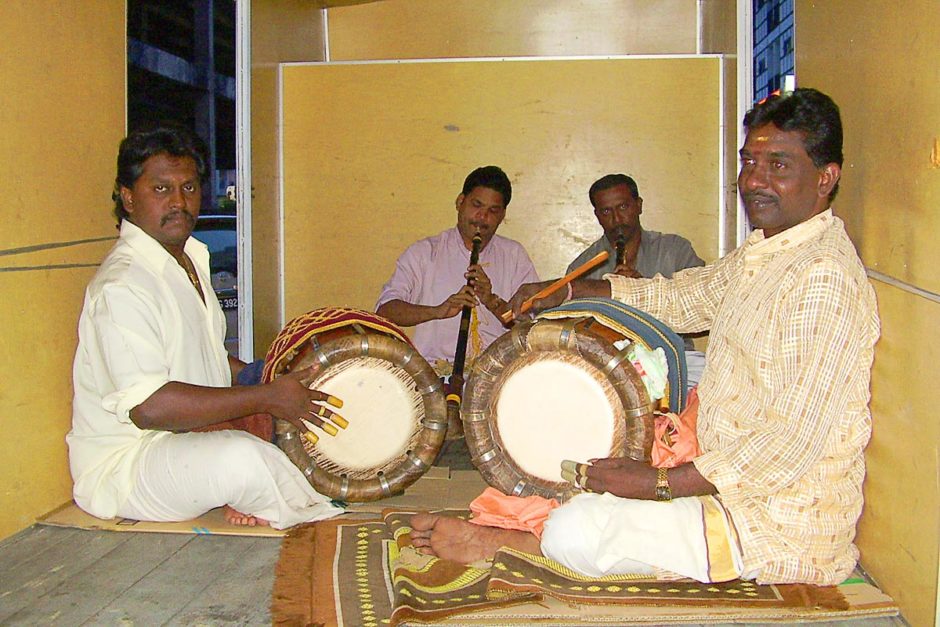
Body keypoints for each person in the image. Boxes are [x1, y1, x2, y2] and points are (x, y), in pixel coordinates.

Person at [411, 88, 879, 586]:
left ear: (826, 178)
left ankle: (520, 542)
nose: (754, 181)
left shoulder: (822, 277)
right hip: (714, 473)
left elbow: (785, 446)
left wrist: (659, 483)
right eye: (749, 161)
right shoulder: (767, 251)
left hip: (774, 517)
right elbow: (687, 297)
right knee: (577, 467)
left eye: (778, 165)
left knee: (577, 525)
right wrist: (571, 289)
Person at [68, 124, 343, 529]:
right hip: (130, 466)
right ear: (128, 197)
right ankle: (320, 520)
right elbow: (150, 408)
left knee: (300, 427)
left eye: (190, 188)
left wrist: (270, 375)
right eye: (161, 189)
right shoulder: (122, 285)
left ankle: (256, 497)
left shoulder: (188, 258)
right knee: (242, 457)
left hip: (191, 443)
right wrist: (267, 396)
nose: (179, 202)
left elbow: (210, 357)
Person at [376, 166, 539, 375]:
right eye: (476, 205)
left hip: (497, 377)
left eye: (493, 211)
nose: (482, 217)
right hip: (434, 375)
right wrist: (438, 311)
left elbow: (531, 327)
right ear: (460, 202)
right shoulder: (425, 252)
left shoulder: (514, 255)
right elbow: (385, 311)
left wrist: (491, 301)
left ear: (502, 215)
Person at [567, 173, 704, 280]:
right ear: (597, 215)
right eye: (606, 211)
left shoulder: (676, 251)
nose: (617, 219)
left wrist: (643, 289)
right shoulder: (581, 269)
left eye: (623, 207)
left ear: (639, 205)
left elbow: (702, 300)